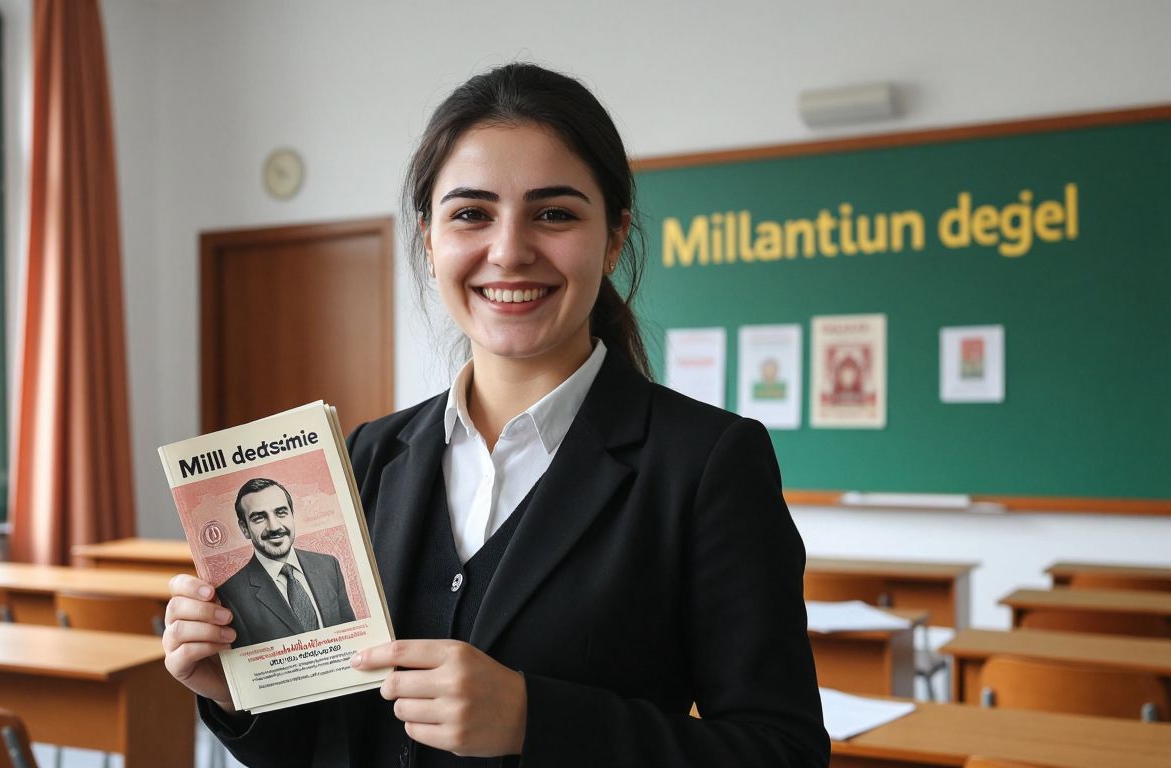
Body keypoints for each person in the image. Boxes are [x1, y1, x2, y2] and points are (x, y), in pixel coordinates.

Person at [164, 62, 829, 767]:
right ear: (429, 241)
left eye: (554, 213)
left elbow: (782, 752)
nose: (509, 251)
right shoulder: (366, 457)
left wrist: (535, 721)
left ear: (612, 239)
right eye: (471, 214)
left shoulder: (706, 465)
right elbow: (332, 741)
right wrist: (238, 696)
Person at [215, 477, 356, 647]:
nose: (274, 527)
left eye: (281, 512)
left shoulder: (329, 566)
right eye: (259, 518)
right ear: (245, 528)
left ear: (292, 515)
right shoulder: (231, 594)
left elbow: (352, 637)